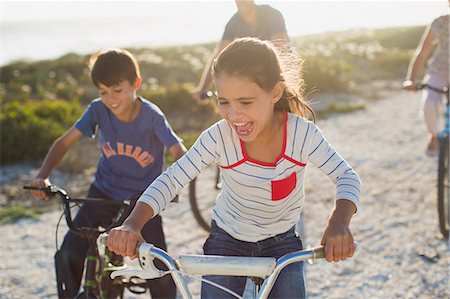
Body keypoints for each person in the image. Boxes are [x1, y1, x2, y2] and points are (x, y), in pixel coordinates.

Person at [107, 38, 361, 299]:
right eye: (224, 102)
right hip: (227, 241)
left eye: (246, 102)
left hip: (282, 242)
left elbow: (347, 176)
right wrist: (132, 224)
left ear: (275, 93)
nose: (233, 115)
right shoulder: (219, 137)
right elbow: (171, 180)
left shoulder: (301, 134)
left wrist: (339, 223)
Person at [28, 49, 186, 298]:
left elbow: (179, 151)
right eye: (103, 92)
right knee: (68, 251)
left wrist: (171, 186)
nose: (111, 99)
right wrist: (42, 176)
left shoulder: (152, 117)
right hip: (103, 191)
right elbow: (64, 143)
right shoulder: (97, 110)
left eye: (117, 90)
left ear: (136, 84)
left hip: (143, 200)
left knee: (157, 265)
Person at [192, 0, 290, 103]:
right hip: (257, 73)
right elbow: (219, 54)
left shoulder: (271, 14)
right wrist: (202, 88)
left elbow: (279, 48)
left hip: (282, 69)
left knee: (284, 108)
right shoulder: (233, 22)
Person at [403, 14, 449, 156]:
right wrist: (411, 79)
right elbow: (423, 52)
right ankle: (433, 136)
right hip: (438, 71)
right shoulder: (439, 23)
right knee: (429, 103)